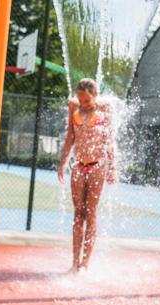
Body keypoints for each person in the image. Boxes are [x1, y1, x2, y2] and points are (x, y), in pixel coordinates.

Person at [57, 78, 117, 273]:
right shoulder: (74, 108)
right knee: (78, 214)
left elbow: (109, 139)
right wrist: (63, 162)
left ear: (95, 96)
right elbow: (70, 137)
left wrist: (112, 167)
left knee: (91, 213)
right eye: (80, 99)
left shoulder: (104, 110)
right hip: (78, 166)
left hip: (97, 166)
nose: (83, 103)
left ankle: (85, 263)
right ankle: (75, 262)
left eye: (87, 100)